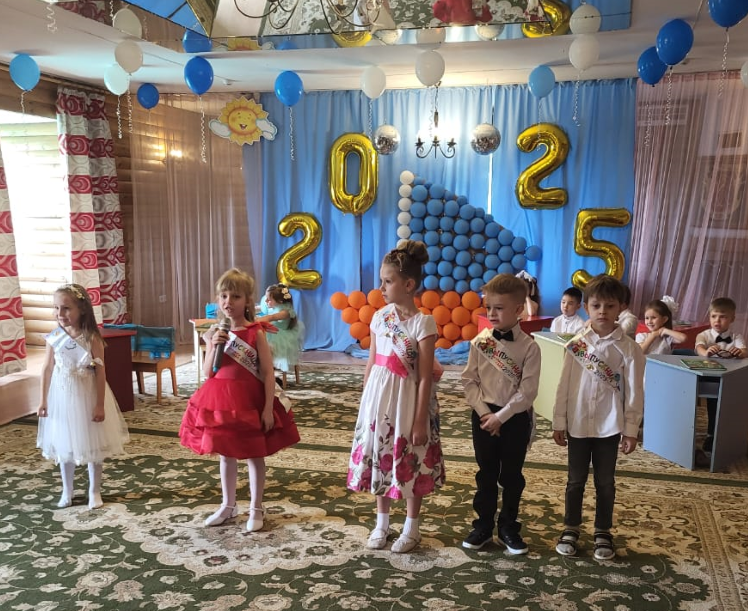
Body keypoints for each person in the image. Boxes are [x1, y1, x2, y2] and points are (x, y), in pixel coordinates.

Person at [180, 268, 300, 532]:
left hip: (249, 400)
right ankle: (228, 505)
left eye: (235, 296)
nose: (228, 302)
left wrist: (267, 409)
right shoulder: (216, 332)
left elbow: (267, 373)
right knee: (226, 454)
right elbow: (208, 372)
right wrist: (214, 344)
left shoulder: (256, 332)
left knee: (254, 455)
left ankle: (256, 507)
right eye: (223, 296)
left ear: (247, 301)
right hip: (220, 400)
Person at [347, 240, 445, 554]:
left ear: (409, 285)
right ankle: (382, 523)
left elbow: (425, 376)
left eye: (388, 281)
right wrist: (366, 403)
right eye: (382, 280)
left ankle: (411, 527)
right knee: (381, 456)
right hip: (379, 400)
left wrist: (419, 420)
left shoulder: (423, 324)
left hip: (408, 401)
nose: (381, 288)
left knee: (410, 460)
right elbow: (371, 362)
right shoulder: (379, 317)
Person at [552, 274, 644, 561]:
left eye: (610, 306)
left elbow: (634, 392)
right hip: (578, 423)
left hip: (609, 425)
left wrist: (631, 430)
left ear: (621, 308)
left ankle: (603, 531)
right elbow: (563, 386)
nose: (602, 311)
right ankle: (571, 527)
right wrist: (559, 421)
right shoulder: (576, 344)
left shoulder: (629, 348)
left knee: (605, 482)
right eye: (596, 305)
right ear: (586, 308)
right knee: (575, 480)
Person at [461, 274, 540, 554]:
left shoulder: (530, 347)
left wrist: (501, 417)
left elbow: (528, 391)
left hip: (514, 418)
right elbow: (469, 382)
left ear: (518, 309)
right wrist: (486, 414)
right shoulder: (480, 342)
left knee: (512, 476)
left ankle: (508, 527)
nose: (492, 313)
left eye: (499, 308)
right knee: (486, 473)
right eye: (488, 307)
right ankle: (483, 525)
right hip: (483, 416)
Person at [36, 284, 129, 510]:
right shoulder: (55, 337)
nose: (60, 313)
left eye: (66, 308)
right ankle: (67, 490)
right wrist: (43, 400)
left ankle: (94, 490)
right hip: (62, 397)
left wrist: (99, 405)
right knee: (64, 443)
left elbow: (100, 371)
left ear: (82, 309)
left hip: (88, 395)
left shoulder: (92, 338)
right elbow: (47, 368)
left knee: (93, 443)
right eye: (56, 308)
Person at [694, 297, 746, 454]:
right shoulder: (704, 335)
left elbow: (745, 351)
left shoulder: (736, 337)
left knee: (730, 406)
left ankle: (728, 435)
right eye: (714, 316)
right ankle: (710, 435)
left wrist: (740, 352)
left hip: (729, 378)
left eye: (723, 317)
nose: (717, 320)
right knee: (712, 404)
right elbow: (699, 348)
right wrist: (706, 352)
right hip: (707, 377)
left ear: (732, 319)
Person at [257, 283, 305, 376]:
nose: (265, 301)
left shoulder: (285, 312)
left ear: (280, 301)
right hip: (273, 331)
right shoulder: (274, 306)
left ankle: (267, 367)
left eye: (269, 299)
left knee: (263, 339)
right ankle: (261, 365)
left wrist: (254, 320)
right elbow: (261, 309)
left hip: (280, 336)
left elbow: (270, 317)